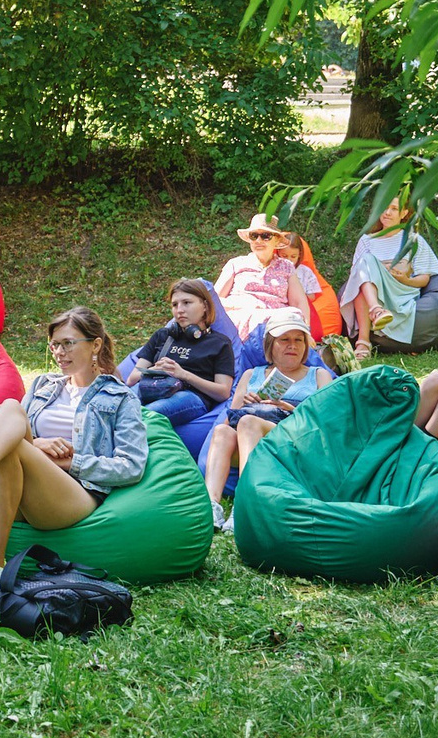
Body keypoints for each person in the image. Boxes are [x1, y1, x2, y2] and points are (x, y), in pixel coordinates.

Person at [0, 307, 148, 584]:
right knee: (10, 407)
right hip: (18, 484)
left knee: (16, 449)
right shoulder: (43, 386)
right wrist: (40, 444)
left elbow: (131, 466)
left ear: (95, 345)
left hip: (74, 493)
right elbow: (16, 430)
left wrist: (71, 461)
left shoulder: (119, 397)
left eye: (68, 343)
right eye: (55, 344)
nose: (59, 352)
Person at [203, 307, 325, 530]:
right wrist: (250, 404)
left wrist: (288, 408)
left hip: (295, 440)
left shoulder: (318, 375)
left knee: (249, 423)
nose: (293, 345)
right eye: (285, 339)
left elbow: (326, 423)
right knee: (223, 430)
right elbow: (229, 420)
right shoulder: (252, 374)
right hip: (251, 437)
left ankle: (244, 504)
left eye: (299, 340)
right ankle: (211, 506)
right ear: (270, 345)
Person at [124, 278, 238, 431]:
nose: (180, 310)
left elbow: (223, 392)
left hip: (191, 396)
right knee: (117, 408)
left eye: (187, 303)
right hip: (153, 387)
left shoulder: (220, 343)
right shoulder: (163, 336)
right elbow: (132, 379)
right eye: (175, 305)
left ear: (204, 305)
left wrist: (182, 374)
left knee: (144, 416)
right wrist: (154, 369)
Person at [339, 199, 438, 347]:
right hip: (375, 292)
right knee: (363, 271)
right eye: (384, 208)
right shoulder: (367, 240)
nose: (387, 213)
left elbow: (424, 278)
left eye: (394, 209)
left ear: (404, 213)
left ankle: (367, 331)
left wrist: (405, 279)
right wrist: (380, 268)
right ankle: (369, 328)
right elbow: (357, 276)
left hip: (402, 291)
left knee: (366, 263)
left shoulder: (413, 240)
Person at [214, 214, 305, 341]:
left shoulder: (287, 267)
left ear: (277, 240)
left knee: (292, 318)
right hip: (241, 318)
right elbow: (214, 300)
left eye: (265, 236)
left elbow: (299, 302)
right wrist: (242, 305)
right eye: (254, 236)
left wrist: (307, 332)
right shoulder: (236, 264)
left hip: (276, 323)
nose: (258, 240)